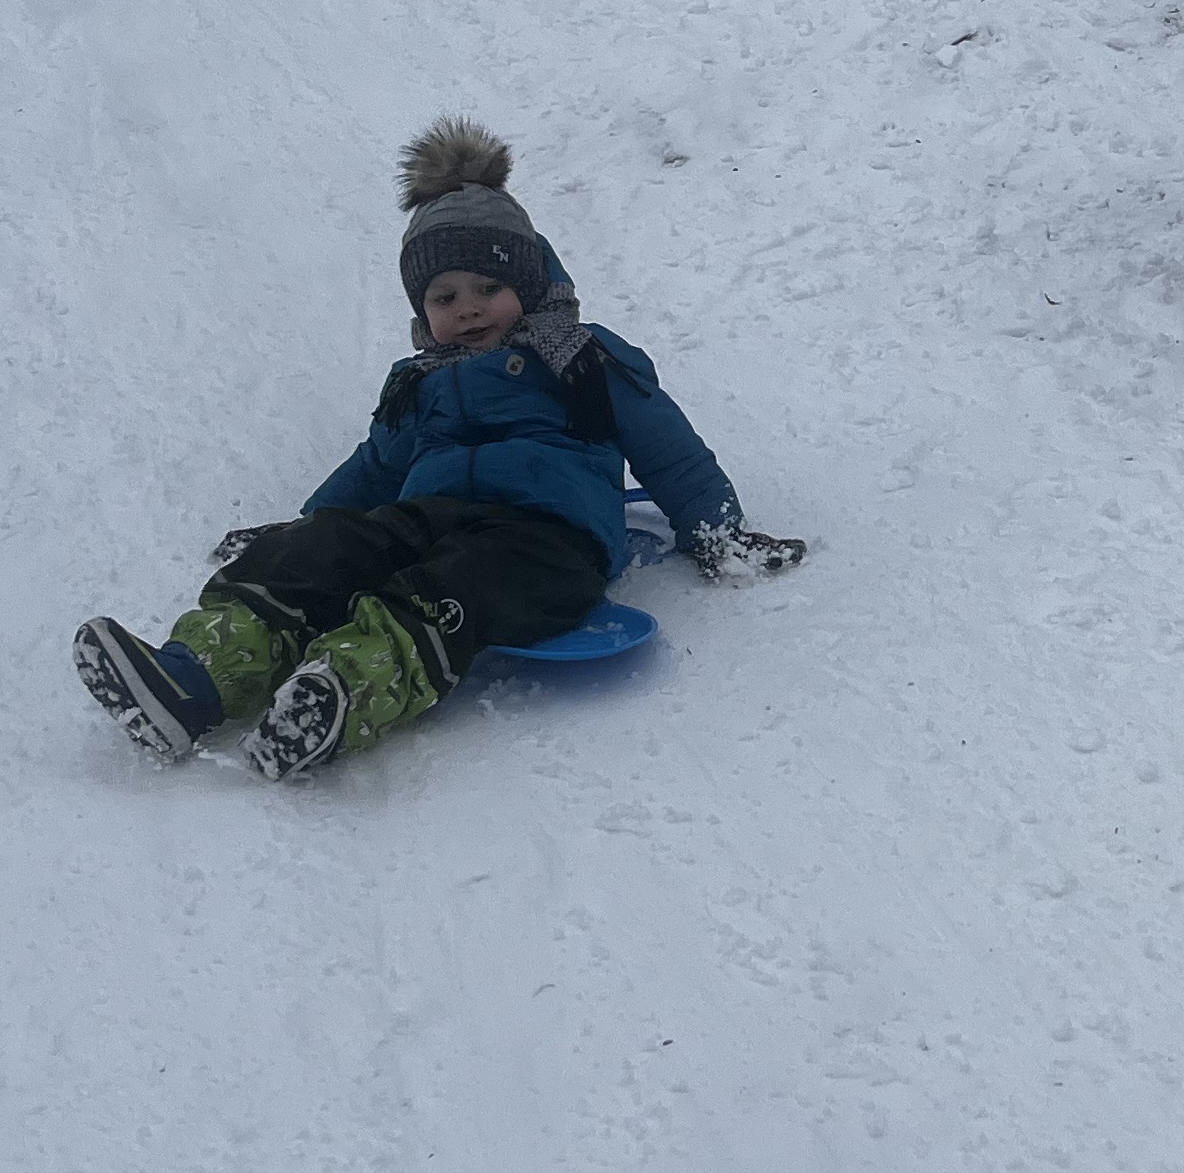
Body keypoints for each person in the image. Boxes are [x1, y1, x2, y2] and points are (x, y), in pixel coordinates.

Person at [73, 122, 808, 780]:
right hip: (427, 516)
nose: (469, 308)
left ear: (529, 286)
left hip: (545, 536)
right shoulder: (420, 381)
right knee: (325, 551)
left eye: (489, 286)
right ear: (423, 312)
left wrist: (717, 532)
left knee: (455, 585)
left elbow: (669, 450)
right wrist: (303, 527)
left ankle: (339, 694)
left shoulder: (580, 357)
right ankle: (194, 681)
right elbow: (373, 470)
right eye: (445, 296)